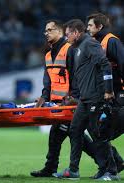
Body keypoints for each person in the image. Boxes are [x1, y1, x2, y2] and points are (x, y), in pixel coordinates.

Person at [54, 19, 119, 180]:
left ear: (76, 33)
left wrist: (109, 90)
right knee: (75, 130)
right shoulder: (77, 48)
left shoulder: (90, 44)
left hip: (96, 98)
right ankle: (73, 170)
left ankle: (111, 171)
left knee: (97, 135)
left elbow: (105, 65)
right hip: (84, 99)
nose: (66, 37)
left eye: (68, 34)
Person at [30, 20, 81, 177]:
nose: (46, 33)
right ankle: (112, 162)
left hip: (70, 104)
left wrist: (74, 98)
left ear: (60, 32)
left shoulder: (70, 50)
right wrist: (43, 99)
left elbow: (77, 77)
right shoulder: (47, 55)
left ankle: (51, 167)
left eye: (50, 30)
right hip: (57, 105)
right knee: (67, 135)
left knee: (61, 135)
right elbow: (48, 83)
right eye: (45, 31)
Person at [86, 12, 124, 178]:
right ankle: (111, 167)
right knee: (98, 132)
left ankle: (111, 170)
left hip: (117, 95)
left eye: (90, 25)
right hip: (105, 95)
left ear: (99, 26)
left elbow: (122, 65)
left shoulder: (111, 41)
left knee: (101, 132)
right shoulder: (95, 43)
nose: (87, 28)